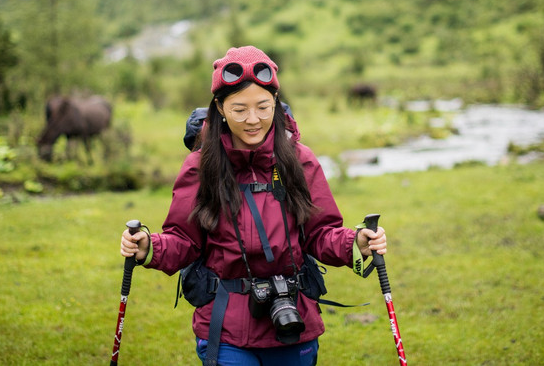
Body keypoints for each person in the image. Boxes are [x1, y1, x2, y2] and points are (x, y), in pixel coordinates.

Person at [120, 45, 387, 366]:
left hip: (292, 317)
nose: (253, 120)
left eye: (263, 107)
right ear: (219, 107)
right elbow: (185, 241)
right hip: (226, 326)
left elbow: (321, 234)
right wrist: (149, 246)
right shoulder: (200, 166)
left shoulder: (300, 161)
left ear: (276, 102)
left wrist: (355, 241)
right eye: (239, 109)